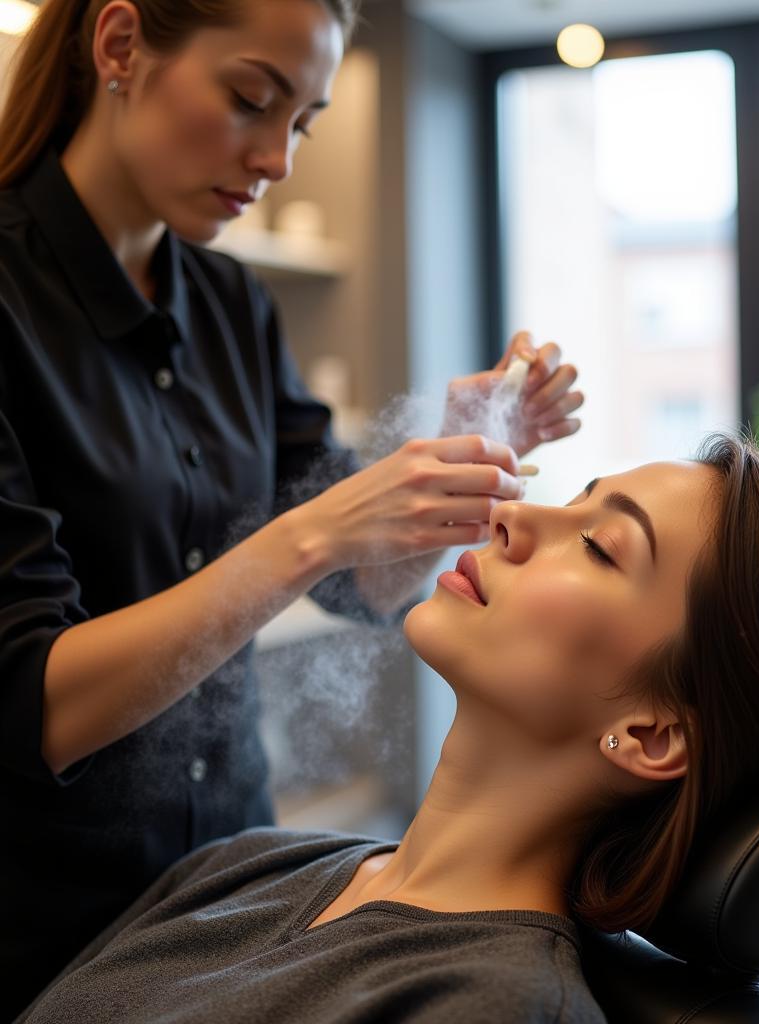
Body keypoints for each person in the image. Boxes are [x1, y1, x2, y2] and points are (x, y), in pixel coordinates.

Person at [0, 0, 584, 1015]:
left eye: (303, 121)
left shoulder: (232, 306)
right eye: (250, 100)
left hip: (223, 883)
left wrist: (457, 462)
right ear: (121, 46)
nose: (277, 159)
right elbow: (31, 706)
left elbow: (364, 588)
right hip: (36, 923)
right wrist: (314, 529)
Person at [16, 433, 759, 1024]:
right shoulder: (247, 863)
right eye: (574, 496)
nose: (512, 516)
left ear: (651, 733)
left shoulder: (489, 1004)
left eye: (598, 544)